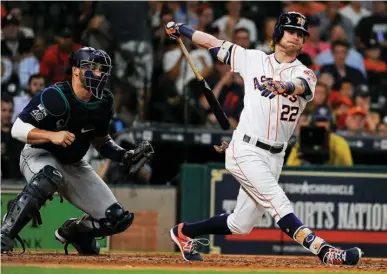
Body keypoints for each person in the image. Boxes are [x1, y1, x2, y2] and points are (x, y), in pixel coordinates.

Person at [165, 11, 363, 265]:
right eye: (291, 31)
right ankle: (326, 252)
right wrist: (183, 29)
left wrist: (286, 87)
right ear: (279, 33)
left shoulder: (306, 73)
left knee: (240, 224)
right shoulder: (253, 59)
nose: (296, 37)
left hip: (276, 155)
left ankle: (184, 232)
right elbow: (214, 44)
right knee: (277, 200)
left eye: (301, 34)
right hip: (245, 149)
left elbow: (300, 85)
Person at [0, 47, 154, 255]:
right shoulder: (55, 96)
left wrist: (123, 155)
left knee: (117, 217)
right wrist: (52, 135)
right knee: (48, 177)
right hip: (39, 153)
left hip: (74, 164)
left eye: (102, 69)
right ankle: (4, 236)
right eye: (92, 68)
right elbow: (18, 129)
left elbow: (101, 141)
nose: (98, 74)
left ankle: (76, 232)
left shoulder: (104, 101)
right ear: (75, 70)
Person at [286, 105, 353, 166]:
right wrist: (301, 159)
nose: (322, 124)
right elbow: (290, 166)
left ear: (331, 123)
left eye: (325, 121)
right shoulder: (304, 140)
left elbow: (349, 169)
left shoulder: (340, 143)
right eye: (319, 121)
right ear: (312, 122)